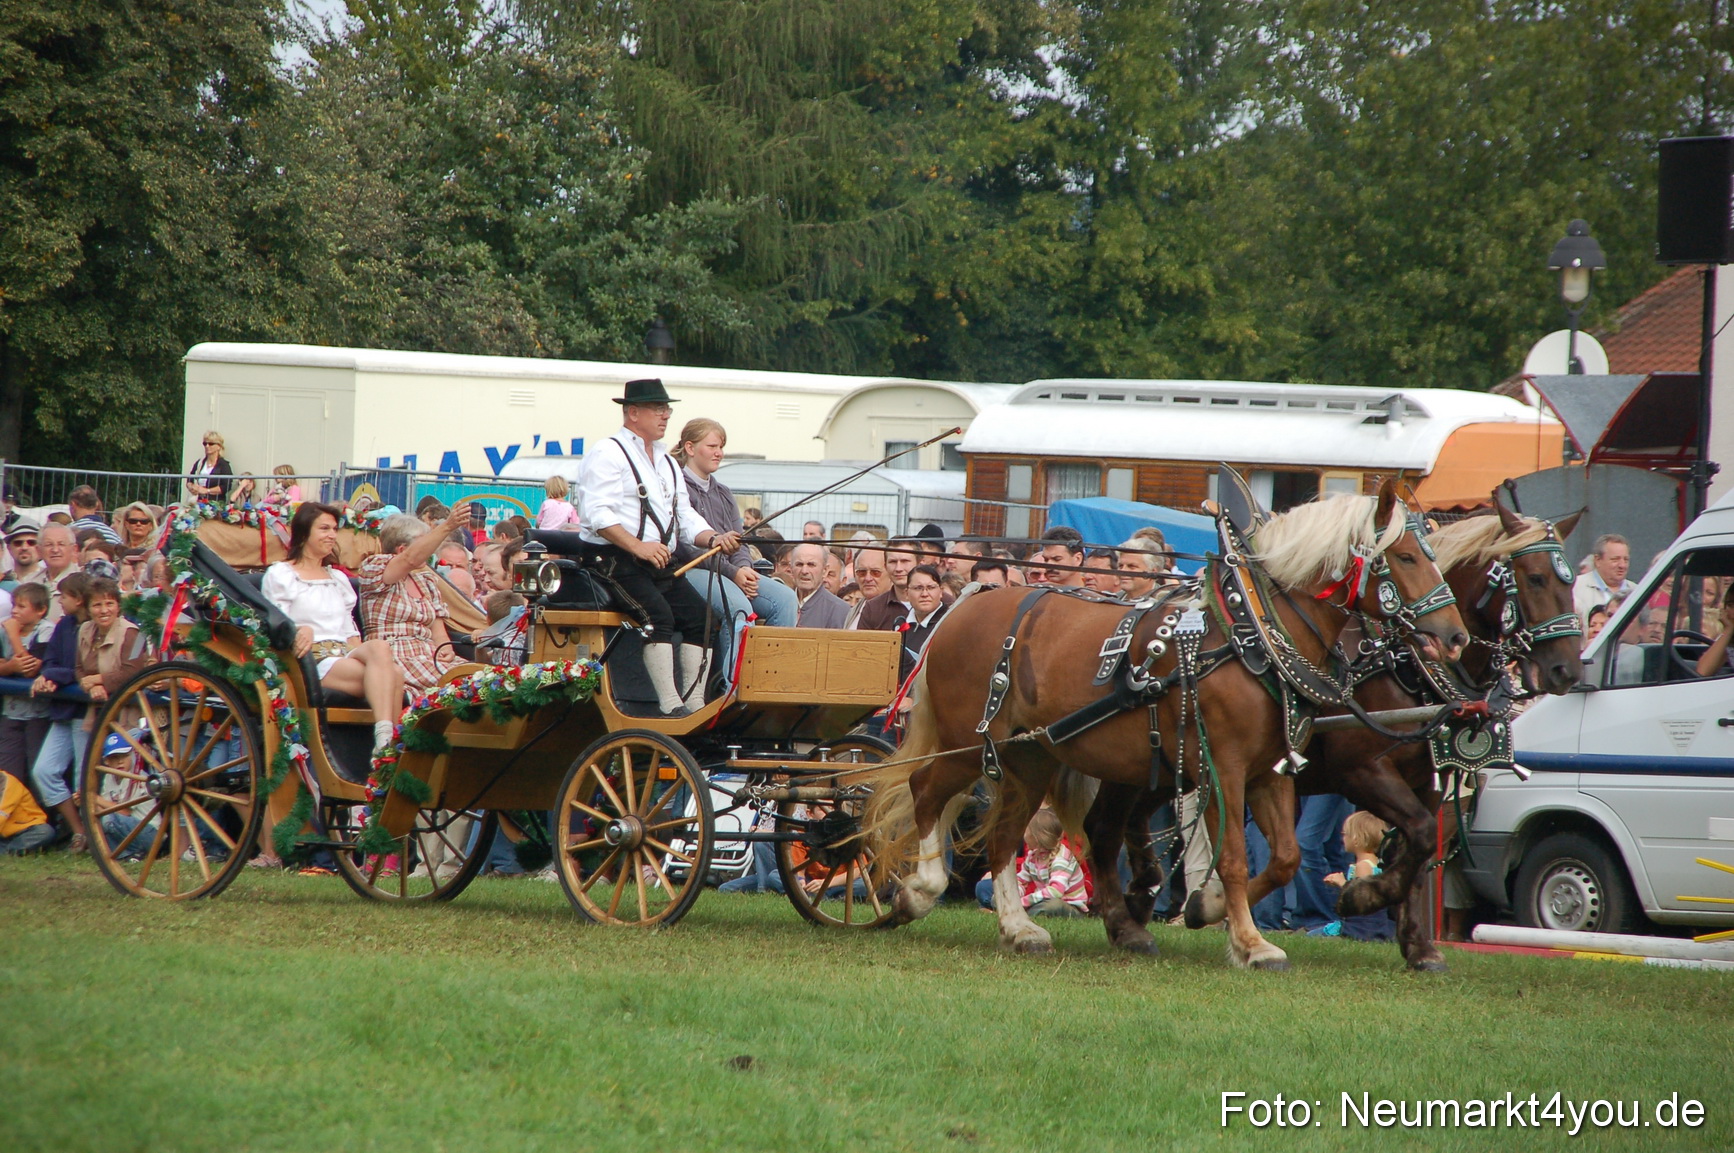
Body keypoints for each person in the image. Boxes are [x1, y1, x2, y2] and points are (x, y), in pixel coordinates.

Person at [575, 380, 740, 717]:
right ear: (633, 413)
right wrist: (638, 546)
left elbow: (684, 513)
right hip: (612, 559)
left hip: (656, 559)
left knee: (704, 619)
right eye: (657, 408)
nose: (666, 415)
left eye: (667, 409)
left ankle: (694, 704)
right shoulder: (607, 452)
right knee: (659, 617)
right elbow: (597, 515)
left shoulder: (665, 459)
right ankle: (670, 706)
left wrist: (713, 538)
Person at [263, 503, 406, 751]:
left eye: (334, 529)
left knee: (385, 658)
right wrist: (301, 629)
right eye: (324, 528)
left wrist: (370, 660)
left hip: (343, 652)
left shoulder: (338, 578)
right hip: (312, 657)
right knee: (393, 676)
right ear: (305, 532)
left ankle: (385, 736)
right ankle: (388, 744)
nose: (331, 534)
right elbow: (277, 623)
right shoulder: (282, 574)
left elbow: (350, 631)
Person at [673, 418, 799, 637]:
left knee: (786, 600)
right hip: (692, 571)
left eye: (721, 447)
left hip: (733, 572)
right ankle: (732, 672)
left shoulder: (724, 493)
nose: (719, 453)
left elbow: (741, 540)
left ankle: (770, 668)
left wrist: (745, 569)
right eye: (712, 446)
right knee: (739, 607)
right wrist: (734, 573)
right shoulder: (676, 488)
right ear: (690, 448)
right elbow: (687, 547)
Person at [359, 505, 473, 692]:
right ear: (402, 549)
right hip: (393, 653)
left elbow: (438, 630)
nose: (430, 551)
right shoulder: (374, 568)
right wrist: (447, 526)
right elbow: (409, 560)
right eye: (425, 544)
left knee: (481, 676)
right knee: (462, 684)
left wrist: (445, 648)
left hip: (428, 653)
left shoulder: (425, 578)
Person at [30, 573, 91, 849]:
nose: (60, 601)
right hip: (63, 712)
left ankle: (95, 834)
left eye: (63, 597)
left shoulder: (93, 628)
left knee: (84, 779)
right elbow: (50, 659)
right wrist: (47, 674)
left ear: (78, 599)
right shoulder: (64, 625)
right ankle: (79, 830)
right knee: (44, 771)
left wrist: (53, 675)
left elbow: (87, 670)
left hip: (85, 715)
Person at [1312, 810, 1396, 941]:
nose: (1342, 838)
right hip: (1375, 925)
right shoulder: (1377, 863)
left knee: (1310, 936)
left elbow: (1361, 896)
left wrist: (1342, 883)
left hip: (1361, 927)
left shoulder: (1363, 866)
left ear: (1356, 839)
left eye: (1345, 835)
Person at [0, 584, 50, 792]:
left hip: (37, 714)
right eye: (13, 605)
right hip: (10, 712)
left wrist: (13, 635)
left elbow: (30, 669)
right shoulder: (3, 631)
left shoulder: (46, 630)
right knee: (8, 773)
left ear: (40, 610)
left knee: (35, 773)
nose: (14, 611)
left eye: (21, 606)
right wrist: (10, 666)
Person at [1016, 809, 1089, 917]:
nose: (1023, 834)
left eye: (1026, 830)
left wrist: (1024, 902)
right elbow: (1020, 880)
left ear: (1037, 836)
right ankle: (1020, 911)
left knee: (1052, 906)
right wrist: (1014, 896)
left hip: (1070, 907)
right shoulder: (1033, 856)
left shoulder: (1061, 860)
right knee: (998, 898)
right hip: (1043, 900)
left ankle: (1025, 913)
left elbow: (1056, 892)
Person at [853, 541, 920, 631]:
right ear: (886, 566)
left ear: (919, 563)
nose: (898, 568)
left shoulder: (941, 604)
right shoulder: (872, 608)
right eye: (893, 562)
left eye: (905, 561)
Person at [1574, 533, 1633, 631]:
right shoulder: (1575, 588)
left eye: (1626, 560)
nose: (1622, 565)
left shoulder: (1638, 591)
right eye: (1615, 559)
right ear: (1597, 560)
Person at [898, 564, 949, 680]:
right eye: (918, 588)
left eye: (931, 588)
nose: (925, 594)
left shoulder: (950, 623)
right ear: (906, 593)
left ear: (941, 592)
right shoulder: (900, 627)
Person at [789, 543, 849, 628]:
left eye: (811, 565)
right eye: (799, 564)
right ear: (791, 569)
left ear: (824, 571)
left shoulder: (838, 609)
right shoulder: (781, 603)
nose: (804, 571)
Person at [0, 768, 51, 855]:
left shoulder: (7, 782)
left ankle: (6, 851)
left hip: (26, 830)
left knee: (46, 832)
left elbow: (2, 815)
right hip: (3, 834)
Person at [187, 430, 233, 501]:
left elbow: (226, 486)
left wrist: (207, 490)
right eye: (205, 444)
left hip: (214, 503)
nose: (207, 446)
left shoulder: (224, 465)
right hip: (196, 501)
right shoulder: (200, 462)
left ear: (219, 446)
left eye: (211, 444)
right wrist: (192, 487)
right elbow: (189, 479)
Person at [3, 520, 42, 590]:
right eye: (18, 543)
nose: (24, 548)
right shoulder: (2, 581)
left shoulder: (49, 580)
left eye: (31, 543)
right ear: (9, 548)